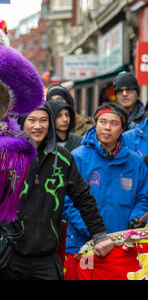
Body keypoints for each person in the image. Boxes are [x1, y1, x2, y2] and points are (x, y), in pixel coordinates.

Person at [0, 104, 113, 280]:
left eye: (43, 120)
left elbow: (83, 198)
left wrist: (99, 234)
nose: (38, 126)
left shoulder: (63, 158)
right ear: (22, 123)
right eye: (32, 120)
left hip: (46, 256)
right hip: (9, 256)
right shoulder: (5, 156)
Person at [63, 102, 148, 279]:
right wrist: (93, 231)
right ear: (96, 124)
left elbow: (143, 198)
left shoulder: (135, 163)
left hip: (122, 246)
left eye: (114, 123)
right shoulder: (77, 157)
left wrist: (136, 219)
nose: (107, 128)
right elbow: (66, 202)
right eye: (102, 122)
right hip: (84, 245)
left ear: (122, 129)